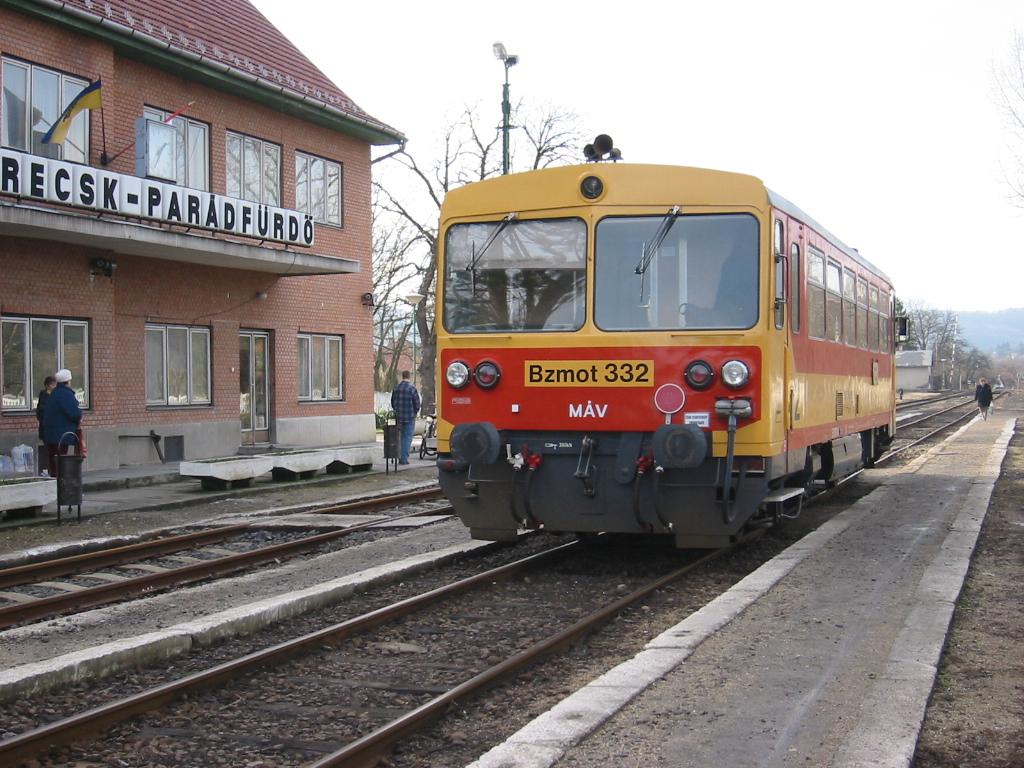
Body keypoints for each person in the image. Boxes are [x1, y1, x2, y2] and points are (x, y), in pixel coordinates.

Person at [42, 368, 82, 477]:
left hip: (50, 434)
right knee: (61, 461)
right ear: (68, 381)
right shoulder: (66, 394)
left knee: (53, 461)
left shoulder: (54, 393)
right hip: (61, 435)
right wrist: (79, 414)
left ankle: (53, 482)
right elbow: (74, 413)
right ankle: (61, 483)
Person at [390, 370, 421, 465]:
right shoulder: (412, 389)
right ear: (409, 377)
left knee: (399, 437)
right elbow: (417, 403)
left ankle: (398, 456)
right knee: (407, 438)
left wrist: (397, 410)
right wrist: (414, 413)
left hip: (399, 417)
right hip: (409, 417)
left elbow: (393, 402)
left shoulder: (396, 388)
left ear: (402, 377)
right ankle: (404, 459)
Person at [35, 375, 56, 474]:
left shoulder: (55, 395)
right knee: (48, 450)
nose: (54, 387)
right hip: (46, 429)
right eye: (52, 385)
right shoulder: (44, 396)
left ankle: (52, 470)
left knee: (54, 450)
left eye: (55, 384)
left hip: (54, 428)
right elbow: (40, 413)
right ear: (47, 386)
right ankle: (46, 470)